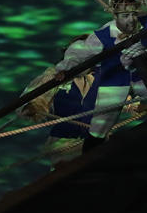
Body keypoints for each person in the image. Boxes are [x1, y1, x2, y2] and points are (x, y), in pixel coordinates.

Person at [52, 0, 147, 151]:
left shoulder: (146, 24)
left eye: (133, 14)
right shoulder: (102, 36)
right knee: (100, 128)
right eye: (125, 16)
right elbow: (79, 52)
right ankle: (90, 158)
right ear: (115, 16)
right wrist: (64, 69)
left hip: (140, 76)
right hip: (114, 81)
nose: (131, 20)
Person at [18, 34, 98, 167]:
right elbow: (34, 99)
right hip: (64, 144)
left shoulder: (93, 80)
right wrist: (32, 106)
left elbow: (115, 98)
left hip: (95, 141)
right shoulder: (53, 76)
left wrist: (135, 106)